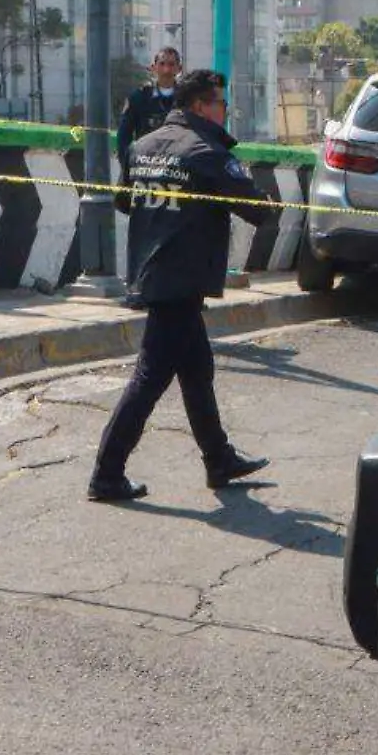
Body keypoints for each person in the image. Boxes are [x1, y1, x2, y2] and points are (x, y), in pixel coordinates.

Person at [88, 69, 273, 503]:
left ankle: (219, 458)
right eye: (221, 104)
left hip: (155, 272)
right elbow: (258, 212)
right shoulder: (205, 151)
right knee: (149, 378)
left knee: (196, 370)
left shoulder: (142, 146)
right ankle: (106, 474)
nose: (225, 113)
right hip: (181, 276)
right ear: (199, 106)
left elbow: (122, 200)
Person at [115, 47, 183, 203]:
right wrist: (129, 168)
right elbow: (123, 138)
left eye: (172, 65)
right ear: (153, 68)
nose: (166, 70)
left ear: (179, 69)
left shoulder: (187, 99)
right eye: (162, 64)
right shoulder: (139, 98)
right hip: (145, 170)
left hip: (177, 172)